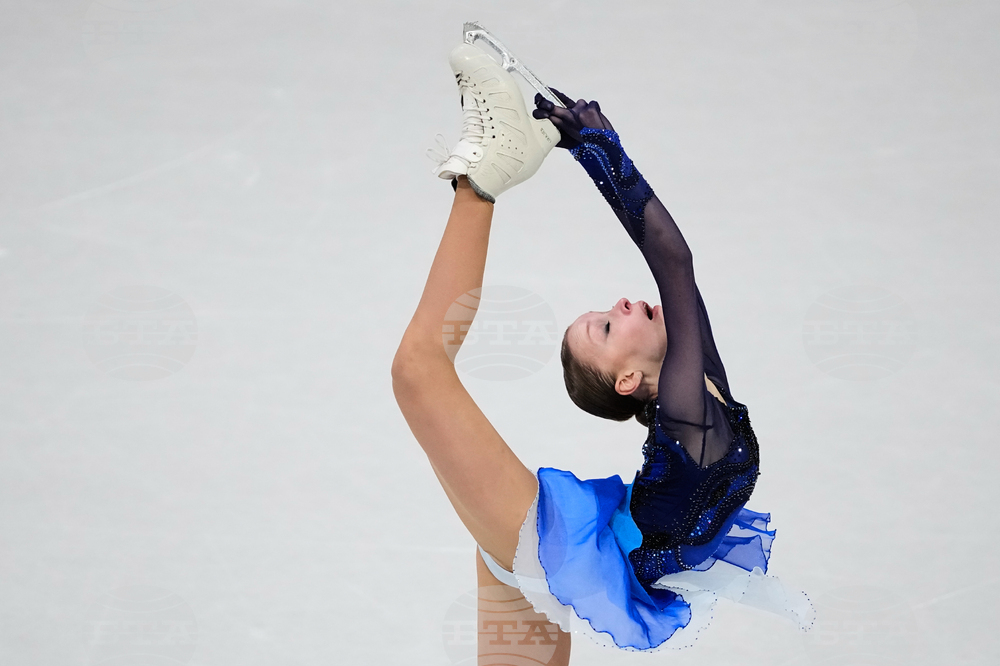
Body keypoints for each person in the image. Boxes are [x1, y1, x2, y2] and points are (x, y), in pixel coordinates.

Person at [392, 41, 811, 662]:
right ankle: (481, 179)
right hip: (561, 549)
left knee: (417, 371)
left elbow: (669, 264)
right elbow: (674, 262)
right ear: (630, 379)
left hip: (567, 555)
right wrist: (599, 148)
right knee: (418, 370)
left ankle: (492, 170)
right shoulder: (688, 411)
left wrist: (593, 147)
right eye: (608, 328)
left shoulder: (698, 392)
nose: (619, 304)